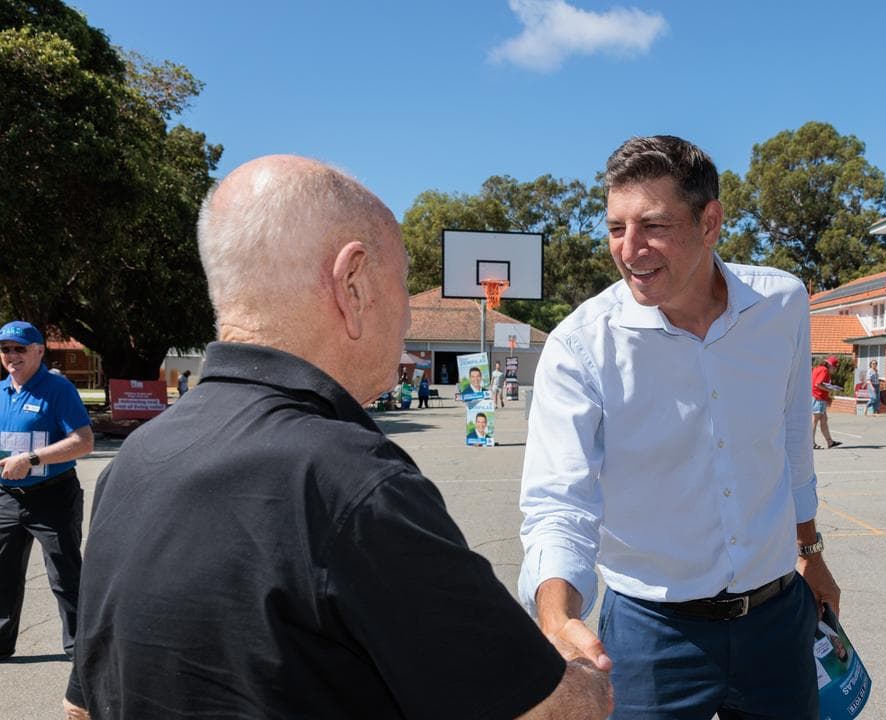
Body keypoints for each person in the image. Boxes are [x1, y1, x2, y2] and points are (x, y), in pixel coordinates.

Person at [64, 155, 611, 719]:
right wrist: (584, 674)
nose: (405, 315)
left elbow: (80, 705)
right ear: (352, 285)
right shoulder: (351, 483)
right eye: (400, 283)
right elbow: (545, 711)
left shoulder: (134, 463)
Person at [520, 135, 840, 719]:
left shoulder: (782, 303)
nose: (630, 248)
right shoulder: (579, 347)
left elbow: (794, 439)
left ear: (710, 221)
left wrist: (810, 550)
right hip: (649, 635)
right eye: (616, 227)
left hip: (777, 620)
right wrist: (556, 615)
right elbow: (558, 504)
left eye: (653, 225)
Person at [0, 321, 94, 662]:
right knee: (3, 575)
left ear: (39, 350)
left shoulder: (57, 389)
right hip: (7, 498)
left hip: (52, 495)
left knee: (64, 574)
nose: (11, 355)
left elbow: (83, 441)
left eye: (20, 348)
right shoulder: (0, 392)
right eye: (5, 349)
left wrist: (33, 458)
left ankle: (80, 649)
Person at [811, 355, 843, 449]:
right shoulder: (824, 370)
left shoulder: (818, 368)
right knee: (815, 420)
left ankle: (830, 442)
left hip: (819, 397)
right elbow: (818, 384)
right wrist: (830, 390)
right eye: (835, 367)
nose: (835, 370)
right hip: (818, 397)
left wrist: (827, 396)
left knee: (824, 420)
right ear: (830, 365)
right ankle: (811, 443)